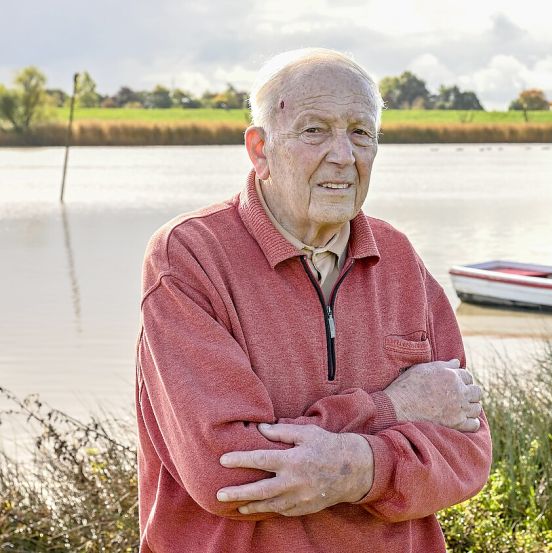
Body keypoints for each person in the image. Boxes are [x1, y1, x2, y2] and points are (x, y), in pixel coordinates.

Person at [135, 48, 491, 553]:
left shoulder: (399, 257)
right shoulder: (189, 257)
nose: (344, 155)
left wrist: (355, 468)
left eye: (361, 133)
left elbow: (469, 452)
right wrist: (397, 407)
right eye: (314, 130)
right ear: (259, 150)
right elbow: (225, 468)